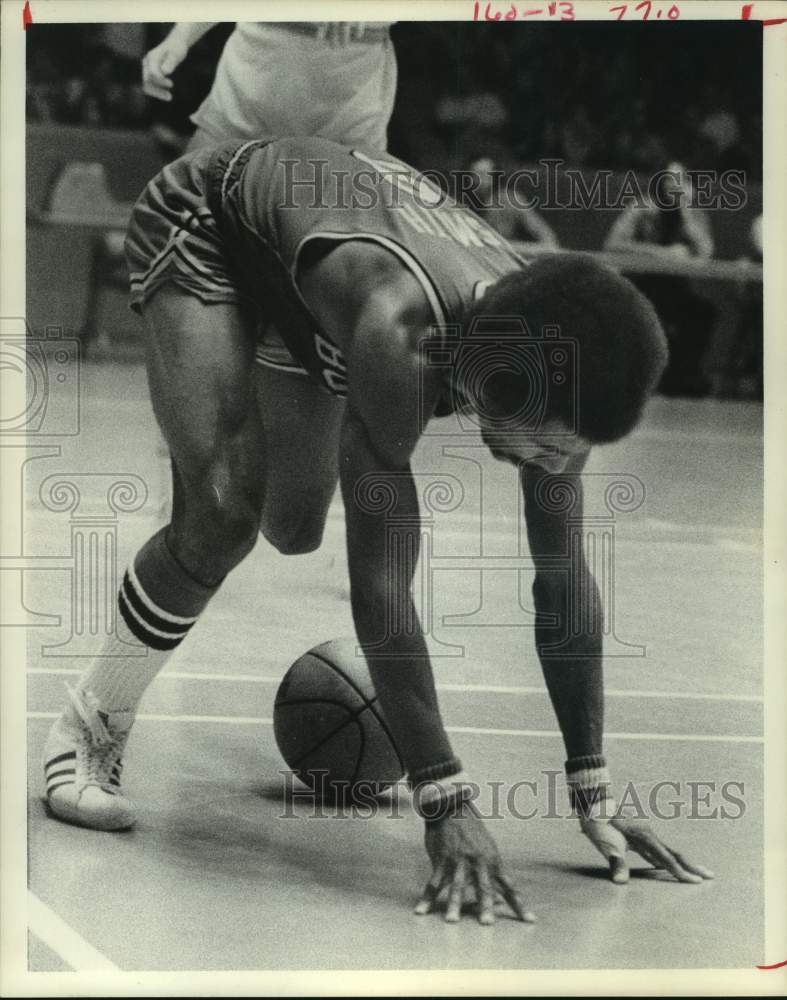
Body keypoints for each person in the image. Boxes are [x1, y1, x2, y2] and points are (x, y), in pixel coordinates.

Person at [43, 137, 713, 924]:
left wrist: (592, 784)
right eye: (539, 442)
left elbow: (561, 582)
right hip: (213, 222)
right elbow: (383, 587)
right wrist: (443, 796)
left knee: (291, 530)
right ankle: (89, 724)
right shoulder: (404, 334)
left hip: (316, 280)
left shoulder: (556, 359)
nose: (545, 463)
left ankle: (252, 357)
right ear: (485, 376)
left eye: (566, 452)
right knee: (224, 515)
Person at [142, 22, 397, 153]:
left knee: (344, 242)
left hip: (347, 104)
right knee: (187, 227)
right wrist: (180, 37)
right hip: (247, 86)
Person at [604, 160, 716, 396]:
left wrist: (686, 210)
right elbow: (612, 244)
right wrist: (658, 252)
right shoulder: (642, 207)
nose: (674, 185)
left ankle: (682, 377)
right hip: (641, 284)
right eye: (669, 179)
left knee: (704, 315)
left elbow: (706, 252)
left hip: (675, 287)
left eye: (680, 180)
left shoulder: (693, 214)